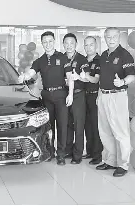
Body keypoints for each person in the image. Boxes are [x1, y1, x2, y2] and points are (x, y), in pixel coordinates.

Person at [18, 31, 74, 165]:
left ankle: (61, 154)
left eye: (50, 41)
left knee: (62, 126)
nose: (48, 44)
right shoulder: (40, 61)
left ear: (54, 42)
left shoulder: (62, 57)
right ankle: (50, 152)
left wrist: (70, 94)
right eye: (45, 42)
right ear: (42, 43)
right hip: (47, 96)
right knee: (49, 127)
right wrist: (24, 76)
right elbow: (31, 72)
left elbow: (70, 77)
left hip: (61, 95)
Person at [96, 27, 135, 177]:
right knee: (105, 131)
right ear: (105, 38)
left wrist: (123, 81)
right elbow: (101, 78)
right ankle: (110, 160)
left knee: (121, 132)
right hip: (104, 95)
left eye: (113, 37)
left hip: (118, 96)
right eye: (108, 37)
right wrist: (100, 94)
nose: (111, 39)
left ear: (119, 38)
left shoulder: (125, 55)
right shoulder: (104, 55)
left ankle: (123, 164)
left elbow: (132, 75)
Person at [63, 33, 90, 164]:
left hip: (79, 95)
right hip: (64, 95)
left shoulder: (82, 59)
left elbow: (87, 77)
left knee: (79, 125)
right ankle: (67, 150)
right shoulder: (61, 58)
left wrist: (79, 76)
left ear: (76, 45)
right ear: (63, 44)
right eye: (66, 43)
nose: (69, 46)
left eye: (71, 43)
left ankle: (77, 155)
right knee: (66, 124)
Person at [83, 36, 103, 165]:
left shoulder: (100, 60)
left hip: (95, 96)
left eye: (91, 45)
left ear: (96, 46)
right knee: (87, 125)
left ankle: (98, 155)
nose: (88, 47)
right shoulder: (83, 61)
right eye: (86, 45)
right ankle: (89, 150)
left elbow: (96, 80)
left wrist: (85, 76)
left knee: (96, 126)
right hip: (84, 96)